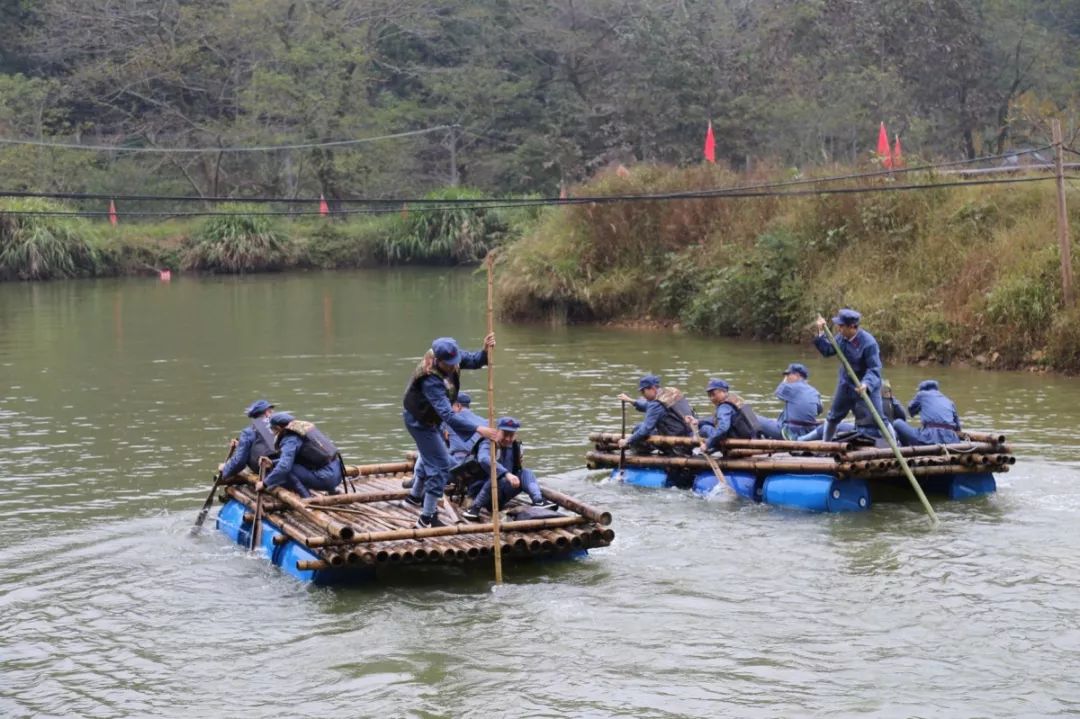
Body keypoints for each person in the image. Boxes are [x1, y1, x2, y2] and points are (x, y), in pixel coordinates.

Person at [403, 335, 498, 528]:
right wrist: (478, 428)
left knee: (431, 457)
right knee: (440, 466)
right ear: (438, 360)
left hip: (433, 419)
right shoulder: (430, 379)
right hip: (420, 421)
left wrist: (485, 352)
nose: (453, 366)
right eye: (449, 364)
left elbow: (473, 360)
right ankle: (426, 518)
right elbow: (447, 414)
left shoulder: (452, 357)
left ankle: (414, 497)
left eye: (455, 362)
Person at [812, 308, 884, 442]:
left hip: (866, 385)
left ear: (852, 327)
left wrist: (866, 384)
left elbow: (875, 368)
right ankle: (825, 446)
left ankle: (894, 443)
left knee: (879, 418)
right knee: (833, 417)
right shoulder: (842, 338)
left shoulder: (868, 343)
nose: (838, 328)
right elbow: (828, 350)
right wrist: (821, 332)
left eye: (841, 326)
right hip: (846, 384)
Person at [462, 416, 554, 521]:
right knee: (497, 476)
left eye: (511, 435)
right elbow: (483, 459)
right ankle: (474, 508)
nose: (507, 439)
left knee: (526, 473)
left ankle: (538, 501)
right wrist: (506, 473)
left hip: (502, 493)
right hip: (481, 492)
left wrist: (512, 475)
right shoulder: (488, 443)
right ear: (497, 431)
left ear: (516, 435)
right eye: (505, 434)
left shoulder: (514, 446)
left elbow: (517, 468)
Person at [254, 412, 344, 498]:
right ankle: (332, 491)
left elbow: (284, 467)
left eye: (272, 429)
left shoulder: (290, 439)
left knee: (287, 470)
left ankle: (307, 498)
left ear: (277, 428)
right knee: (287, 464)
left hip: (327, 479)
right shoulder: (304, 430)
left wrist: (265, 483)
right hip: (338, 472)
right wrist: (272, 463)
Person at [616, 374, 694, 450]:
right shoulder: (672, 393)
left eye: (643, 391)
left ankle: (640, 454)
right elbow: (648, 405)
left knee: (639, 429)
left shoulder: (655, 404)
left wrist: (628, 441)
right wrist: (631, 401)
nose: (642, 395)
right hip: (689, 435)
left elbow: (645, 429)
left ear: (653, 388)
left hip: (675, 444)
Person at [685, 378, 764, 451]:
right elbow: (716, 420)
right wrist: (698, 422)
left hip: (736, 442)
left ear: (723, 392)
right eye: (709, 395)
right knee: (705, 426)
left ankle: (687, 450)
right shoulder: (735, 400)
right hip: (748, 436)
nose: (711, 398)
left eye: (713, 394)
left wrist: (707, 445)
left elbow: (723, 428)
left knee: (705, 429)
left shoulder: (724, 407)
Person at [758, 363, 823, 440]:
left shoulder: (792, 386)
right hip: (808, 431)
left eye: (788, 374)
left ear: (797, 375)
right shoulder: (814, 391)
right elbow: (819, 410)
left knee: (754, 418)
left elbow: (778, 392)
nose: (787, 377)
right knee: (787, 410)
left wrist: (785, 380)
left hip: (790, 433)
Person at [219, 399, 278, 477]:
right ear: (267, 413)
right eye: (271, 411)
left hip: (267, 472)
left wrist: (225, 469)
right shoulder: (280, 427)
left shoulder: (248, 432)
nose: (273, 413)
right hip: (284, 467)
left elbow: (240, 462)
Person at [892, 380, 962, 446]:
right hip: (952, 440)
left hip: (929, 439)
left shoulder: (921, 394)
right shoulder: (948, 401)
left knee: (897, 423)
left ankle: (905, 448)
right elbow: (958, 428)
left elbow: (911, 410)